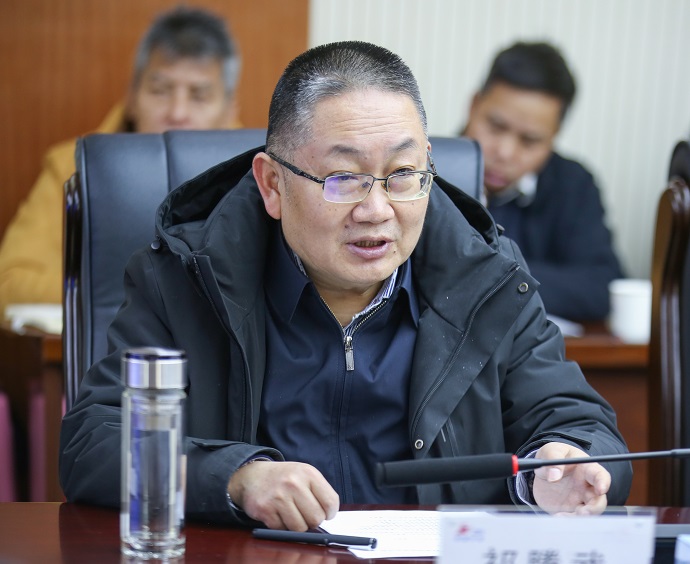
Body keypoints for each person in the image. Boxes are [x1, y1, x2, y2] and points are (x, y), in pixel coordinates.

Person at [60, 40, 632, 531]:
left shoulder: (488, 278)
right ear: (272, 184)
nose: (377, 210)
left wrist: (561, 467)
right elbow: (94, 441)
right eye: (344, 178)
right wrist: (234, 478)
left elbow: (583, 428)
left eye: (403, 175)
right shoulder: (185, 277)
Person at [0, 6, 241, 315]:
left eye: (199, 96)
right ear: (131, 98)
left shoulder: (256, 175)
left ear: (230, 110)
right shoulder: (73, 168)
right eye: (160, 91)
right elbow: (10, 282)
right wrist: (138, 291)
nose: (177, 113)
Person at [461, 41, 623, 322]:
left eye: (530, 140)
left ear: (554, 135)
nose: (505, 152)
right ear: (474, 105)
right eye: (496, 127)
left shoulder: (573, 185)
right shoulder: (425, 169)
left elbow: (600, 286)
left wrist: (489, 273)